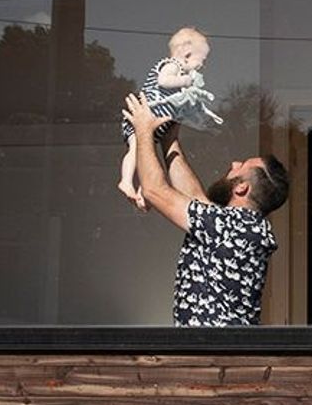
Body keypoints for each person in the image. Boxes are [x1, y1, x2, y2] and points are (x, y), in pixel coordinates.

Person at [123, 92, 290, 326]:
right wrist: (169, 140)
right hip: (221, 354)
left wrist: (143, 129)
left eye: (240, 167)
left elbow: (154, 190)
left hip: (212, 356)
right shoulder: (242, 226)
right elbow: (196, 199)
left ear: (242, 187)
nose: (233, 164)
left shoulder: (229, 226)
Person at [117, 25, 220, 207]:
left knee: (149, 159)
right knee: (135, 150)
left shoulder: (181, 74)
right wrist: (186, 81)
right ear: (187, 53)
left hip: (155, 126)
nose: (203, 65)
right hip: (141, 120)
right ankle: (125, 181)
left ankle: (143, 193)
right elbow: (163, 81)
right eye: (202, 59)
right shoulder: (172, 65)